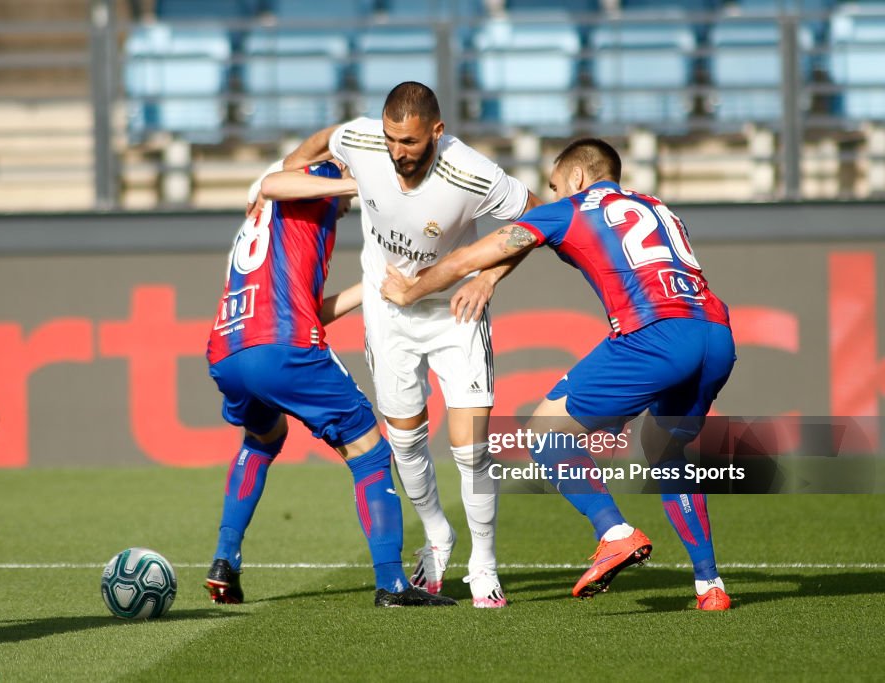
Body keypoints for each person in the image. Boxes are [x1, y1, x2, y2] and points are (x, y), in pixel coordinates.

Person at [381, 138, 735, 611]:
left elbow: (479, 252)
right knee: (667, 452)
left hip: (655, 335)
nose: (553, 194)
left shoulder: (573, 206)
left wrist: (412, 290)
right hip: (716, 335)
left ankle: (614, 531)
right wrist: (490, 280)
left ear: (576, 177)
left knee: (544, 436)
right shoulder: (657, 207)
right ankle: (709, 585)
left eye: (554, 185)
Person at [261, 82, 542, 607]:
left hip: (454, 313)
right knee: (407, 443)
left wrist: (488, 279)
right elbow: (325, 140)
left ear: (436, 131)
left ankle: (483, 564)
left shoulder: (472, 171)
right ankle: (438, 536)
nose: (397, 152)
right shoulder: (363, 140)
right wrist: (292, 165)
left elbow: (535, 219)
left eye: (410, 142)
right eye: (391, 139)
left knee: (471, 446)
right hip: (389, 316)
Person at [205, 160, 456, 608]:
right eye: (344, 202)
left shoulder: (268, 227)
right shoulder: (312, 186)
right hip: (283, 345)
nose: (344, 210)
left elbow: (308, 308)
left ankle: (225, 559)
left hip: (229, 346)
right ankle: (392, 585)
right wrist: (355, 181)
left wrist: (373, 285)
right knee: (371, 453)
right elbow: (274, 182)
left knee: (263, 439)